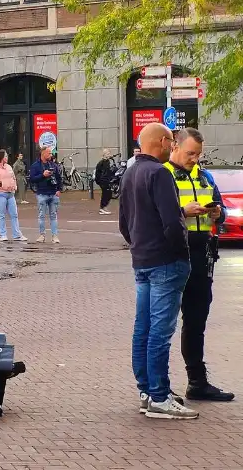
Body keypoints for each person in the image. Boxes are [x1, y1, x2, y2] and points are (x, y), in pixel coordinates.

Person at [119, 122, 198, 419]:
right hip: (166, 261)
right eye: (172, 141)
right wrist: (181, 251)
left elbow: (124, 224)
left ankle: (146, 390)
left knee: (143, 328)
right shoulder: (159, 173)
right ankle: (160, 397)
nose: (172, 146)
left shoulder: (130, 173)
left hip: (142, 260)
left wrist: (138, 245)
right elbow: (172, 222)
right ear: (163, 142)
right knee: (160, 332)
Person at [165, 128, 233, 402]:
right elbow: (155, 214)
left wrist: (218, 212)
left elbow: (223, 211)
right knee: (164, 323)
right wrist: (184, 212)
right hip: (173, 253)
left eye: (198, 154)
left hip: (202, 254)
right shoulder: (164, 175)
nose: (194, 158)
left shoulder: (205, 176)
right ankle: (159, 386)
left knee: (196, 321)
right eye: (190, 153)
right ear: (175, 147)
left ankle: (197, 381)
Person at [0, 150, 28, 242]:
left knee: (14, 215)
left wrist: (14, 186)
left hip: (10, 194)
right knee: (2, 215)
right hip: (0, 194)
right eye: (5, 156)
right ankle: (3, 235)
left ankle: (17, 235)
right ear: (0, 157)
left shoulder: (8, 167)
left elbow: (13, 177)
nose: (7, 158)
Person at [27, 147, 63, 243]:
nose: (51, 155)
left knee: (53, 215)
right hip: (42, 193)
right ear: (43, 154)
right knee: (41, 215)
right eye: (49, 153)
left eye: (51, 153)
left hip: (53, 193)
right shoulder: (35, 166)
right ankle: (42, 235)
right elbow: (32, 179)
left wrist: (59, 189)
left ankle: (55, 236)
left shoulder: (54, 165)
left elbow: (59, 178)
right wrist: (43, 175)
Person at [94, 149, 117, 215]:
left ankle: (104, 207)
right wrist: (101, 181)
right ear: (104, 155)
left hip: (106, 180)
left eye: (109, 153)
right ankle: (102, 208)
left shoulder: (107, 161)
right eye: (107, 153)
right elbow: (101, 173)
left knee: (108, 193)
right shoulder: (103, 162)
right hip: (103, 181)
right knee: (106, 194)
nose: (109, 155)